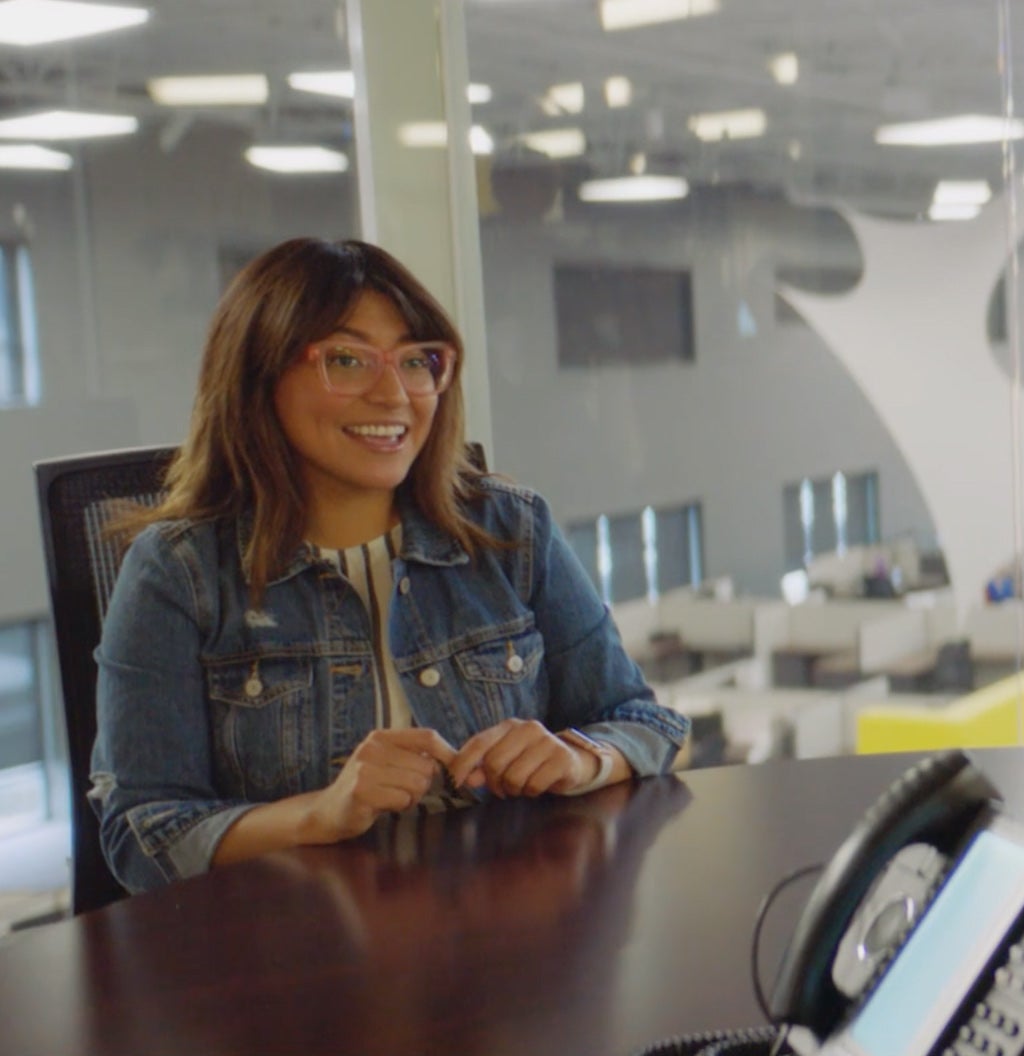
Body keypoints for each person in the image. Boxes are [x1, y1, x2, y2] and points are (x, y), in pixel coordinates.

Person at [92, 237, 689, 893]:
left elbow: (642, 720)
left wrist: (582, 758)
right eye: (347, 360)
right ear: (258, 376)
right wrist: (322, 813)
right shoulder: (177, 573)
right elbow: (142, 836)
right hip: (293, 957)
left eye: (416, 361)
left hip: (506, 926)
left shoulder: (510, 530)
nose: (394, 394)